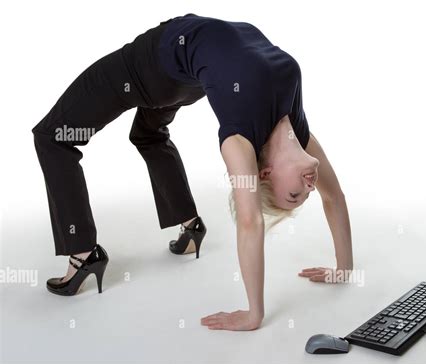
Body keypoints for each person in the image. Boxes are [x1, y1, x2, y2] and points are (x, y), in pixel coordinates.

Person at [32, 13, 353, 330]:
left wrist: (254, 313)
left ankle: (82, 253)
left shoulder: (239, 142)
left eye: (294, 195)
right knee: (149, 134)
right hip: (188, 75)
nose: (309, 188)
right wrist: (344, 268)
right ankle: (190, 225)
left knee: (53, 137)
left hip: (153, 65)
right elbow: (333, 195)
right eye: (302, 195)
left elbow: (250, 220)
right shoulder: (296, 129)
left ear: (264, 174)